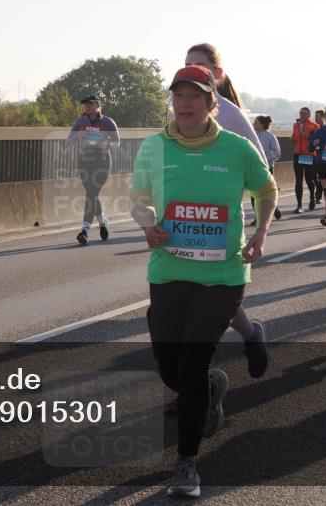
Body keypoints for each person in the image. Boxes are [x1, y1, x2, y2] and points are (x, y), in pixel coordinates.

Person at [130, 65, 277, 498]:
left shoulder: (236, 148)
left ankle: (186, 461)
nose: (184, 103)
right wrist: (146, 226)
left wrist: (261, 233)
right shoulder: (154, 147)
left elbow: (266, 191)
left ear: (213, 103)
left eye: (194, 96)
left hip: (223, 276)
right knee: (171, 371)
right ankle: (210, 387)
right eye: (178, 95)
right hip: (168, 271)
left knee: (191, 364)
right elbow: (138, 199)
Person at [184, 44, 269, 377]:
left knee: (209, 301)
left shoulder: (230, 115)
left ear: (217, 75)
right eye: (187, 64)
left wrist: (260, 227)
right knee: (195, 298)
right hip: (184, 219)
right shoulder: (180, 108)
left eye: (201, 66)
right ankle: (251, 335)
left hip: (220, 223)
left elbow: (260, 169)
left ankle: (194, 385)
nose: (193, 70)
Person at [64, 95, 120, 245]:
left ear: (98, 106)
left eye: (90, 104)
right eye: (85, 105)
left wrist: (107, 143)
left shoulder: (108, 122)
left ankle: (85, 231)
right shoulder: (81, 122)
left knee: (91, 193)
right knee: (92, 193)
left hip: (102, 161)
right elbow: (68, 143)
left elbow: (117, 142)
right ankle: (102, 222)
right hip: (85, 161)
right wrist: (77, 136)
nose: (87, 107)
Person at [252, 115, 283, 224]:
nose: (253, 124)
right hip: (253, 168)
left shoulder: (270, 137)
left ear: (261, 125)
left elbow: (277, 153)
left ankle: (274, 208)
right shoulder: (252, 136)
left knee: (266, 192)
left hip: (267, 168)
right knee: (254, 193)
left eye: (255, 122)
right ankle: (257, 217)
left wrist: (266, 159)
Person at [290, 107, 320, 213]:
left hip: (309, 155)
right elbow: (293, 138)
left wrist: (306, 135)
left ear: (309, 115)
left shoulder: (314, 126)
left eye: (304, 113)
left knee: (309, 179)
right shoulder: (295, 125)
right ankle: (299, 205)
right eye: (301, 113)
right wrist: (292, 139)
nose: (302, 115)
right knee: (298, 180)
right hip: (298, 155)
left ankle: (312, 196)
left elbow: (315, 140)